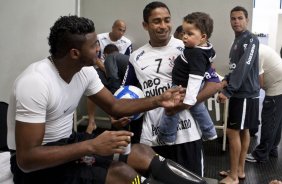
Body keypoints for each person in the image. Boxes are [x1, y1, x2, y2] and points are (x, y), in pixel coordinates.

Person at [7, 15, 206, 184]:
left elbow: (115, 106)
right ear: (75, 53)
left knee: (142, 153)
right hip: (36, 167)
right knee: (123, 173)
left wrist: (159, 100)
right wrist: (91, 146)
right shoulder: (35, 82)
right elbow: (27, 160)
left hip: (68, 142)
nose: (99, 48)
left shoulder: (84, 72)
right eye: (94, 45)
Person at [122, 1, 221, 176]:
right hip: (153, 138)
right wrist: (120, 115)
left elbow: (214, 83)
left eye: (167, 20)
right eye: (157, 21)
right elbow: (125, 96)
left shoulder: (189, 46)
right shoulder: (136, 57)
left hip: (188, 136)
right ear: (145, 25)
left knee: (193, 180)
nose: (163, 26)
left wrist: (185, 103)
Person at [158, 12, 218, 145]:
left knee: (171, 110)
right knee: (199, 108)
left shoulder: (195, 53)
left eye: (189, 34)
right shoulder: (207, 48)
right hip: (187, 85)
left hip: (182, 85)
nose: (184, 37)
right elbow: (211, 58)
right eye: (184, 33)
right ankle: (210, 131)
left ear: (203, 37)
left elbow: (195, 77)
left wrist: (189, 99)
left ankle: (167, 136)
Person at [217, 6, 260, 184]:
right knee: (244, 131)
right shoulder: (237, 41)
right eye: (233, 18)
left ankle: (233, 176)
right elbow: (235, 67)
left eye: (240, 18)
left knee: (232, 131)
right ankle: (239, 170)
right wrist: (226, 79)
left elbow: (244, 68)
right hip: (243, 93)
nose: (236, 21)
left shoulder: (251, 39)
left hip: (244, 94)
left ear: (247, 20)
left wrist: (228, 90)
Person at [86, 19, 132, 134]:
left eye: (123, 31)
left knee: (117, 88)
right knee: (92, 86)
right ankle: (91, 121)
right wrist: (106, 70)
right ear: (113, 28)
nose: (121, 33)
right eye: (119, 29)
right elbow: (95, 57)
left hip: (118, 73)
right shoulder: (100, 38)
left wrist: (112, 72)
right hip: (101, 68)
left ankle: (116, 120)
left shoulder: (127, 42)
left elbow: (127, 62)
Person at [245, 44, 282, 163]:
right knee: (276, 121)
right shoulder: (258, 48)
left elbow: (259, 83)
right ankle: (272, 149)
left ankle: (260, 154)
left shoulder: (256, 53)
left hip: (277, 86)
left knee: (269, 120)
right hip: (278, 83)